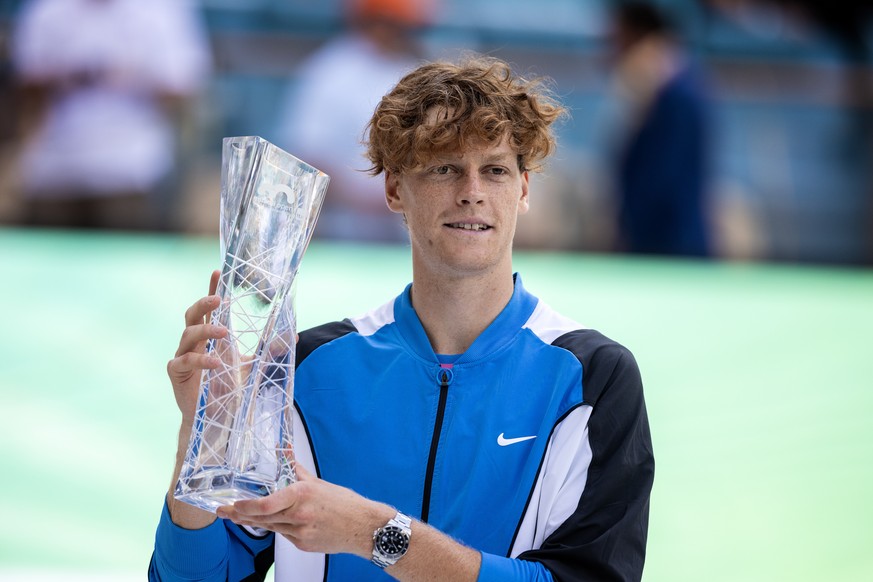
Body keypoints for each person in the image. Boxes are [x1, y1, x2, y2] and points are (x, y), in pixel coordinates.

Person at [150, 56, 654, 581]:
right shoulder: (302, 369)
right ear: (394, 189)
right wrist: (203, 436)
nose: (472, 191)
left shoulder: (590, 378)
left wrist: (373, 532)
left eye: (496, 170)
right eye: (445, 167)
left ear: (523, 189)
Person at [9, 0, 211, 230]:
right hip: (55, 168)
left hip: (129, 168)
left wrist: (129, 75)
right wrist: (71, 76)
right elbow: (23, 81)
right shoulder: (47, 9)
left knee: (129, 261)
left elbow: (186, 85)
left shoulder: (163, 9)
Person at [276, 0, 434, 243]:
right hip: (339, 231)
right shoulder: (332, 70)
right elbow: (303, 156)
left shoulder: (417, 71)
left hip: (404, 234)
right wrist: (361, 197)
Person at [608, 1, 713, 257]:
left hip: (669, 246)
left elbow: (663, 180)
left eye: (618, 37)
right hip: (661, 242)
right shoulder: (670, 90)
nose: (613, 48)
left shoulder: (677, 97)